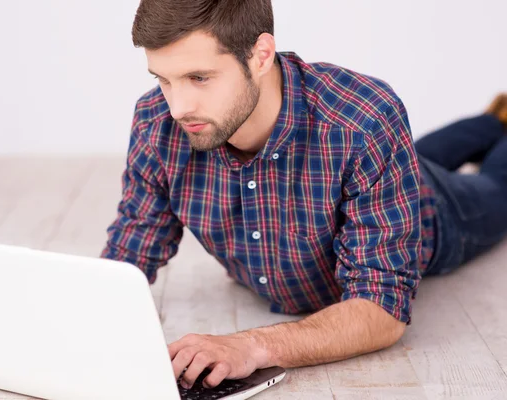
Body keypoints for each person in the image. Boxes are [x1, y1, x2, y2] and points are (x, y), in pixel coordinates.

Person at [100, 0, 507, 390]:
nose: (178, 107)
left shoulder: (362, 120)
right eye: (163, 79)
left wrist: (251, 345)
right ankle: (493, 119)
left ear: (261, 54)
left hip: (434, 207)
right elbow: (134, 240)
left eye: (199, 77)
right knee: (416, 152)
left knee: (496, 186)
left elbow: (382, 310)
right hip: (376, 168)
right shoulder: (158, 122)